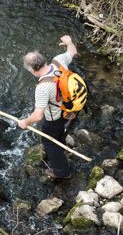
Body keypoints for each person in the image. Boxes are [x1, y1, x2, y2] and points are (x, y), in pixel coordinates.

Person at [17, 35, 78, 180]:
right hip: (72, 109)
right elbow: (72, 51)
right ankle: (62, 142)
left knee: (49, 143)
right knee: (60, 131)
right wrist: (68, 42)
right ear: (43, 60)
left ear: (32, 70)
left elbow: (38, 116)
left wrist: (25, 123)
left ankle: (62, 172)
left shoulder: (43, 87)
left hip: (56, 118)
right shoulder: (59, 61)